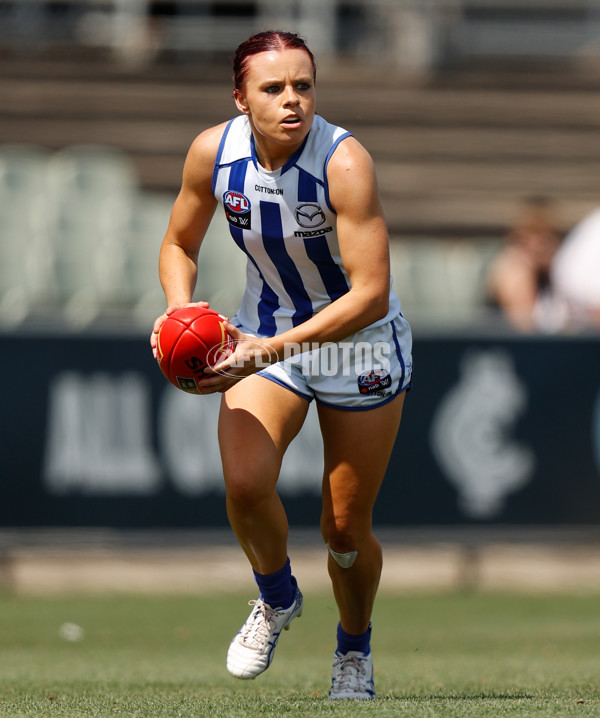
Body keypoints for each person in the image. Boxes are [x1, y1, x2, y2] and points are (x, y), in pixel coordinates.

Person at [150, 30, 412, 700]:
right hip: (267, 334)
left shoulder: (344, 162)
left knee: (344, 530)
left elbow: (370, 292)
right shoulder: (214, 152)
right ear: (240, 97)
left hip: (359, 345)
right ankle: (276, 596)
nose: (292, 100)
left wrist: (268, 350)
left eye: (303, 85)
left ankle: (354, 648)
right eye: (273, 88)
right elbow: (179, 242)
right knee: (244, 484)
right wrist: (180, 311)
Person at [486, 196, 563, 331]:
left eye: (550, 236)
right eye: (538, 236)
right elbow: (524, 326)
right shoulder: (511, 269)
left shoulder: (551, 269)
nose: (545, 244)